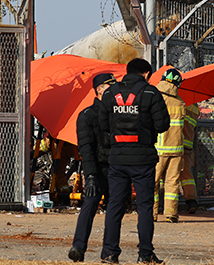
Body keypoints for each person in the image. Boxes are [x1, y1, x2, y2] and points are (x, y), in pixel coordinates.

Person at [99, 58, 170, 264]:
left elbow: (103, 124)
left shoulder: (110, 93)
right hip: (143, 159)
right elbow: (163, 124)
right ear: (146, 74)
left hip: (118, 157)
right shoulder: (150, 93)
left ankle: (110, 253)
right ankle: (145, 254)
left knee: (115, 205)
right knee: (145, 206)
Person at [69, 73, 116, 262]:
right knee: (89, 205)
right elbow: (85, 149)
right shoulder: (87, 115)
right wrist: (89, 176)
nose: (114, 91)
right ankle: (78, 248)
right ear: (99, 90)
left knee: (114, 210)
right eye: (109, 87)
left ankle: (109, 253)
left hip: (115, 168)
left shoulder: (116, 113)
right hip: (96, 169)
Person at [153, 68, 185, 223]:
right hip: (177, 149)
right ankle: (171, 214)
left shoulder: (155, 99)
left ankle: (151, 213)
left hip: (158, 149)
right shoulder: (180, 102)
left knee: (152, 181)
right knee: (172, 183)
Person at [180, 103, 200, 214]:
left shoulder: (176, 103)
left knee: (168, 176)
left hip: (171, 143)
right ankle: (191, 201)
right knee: (187, 175)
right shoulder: (194, 107)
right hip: (187, 145)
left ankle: (166, 205)